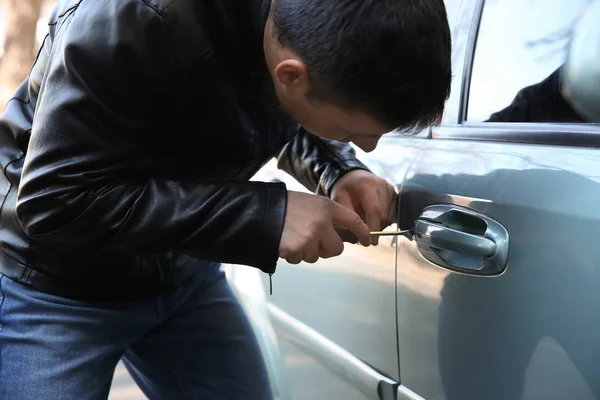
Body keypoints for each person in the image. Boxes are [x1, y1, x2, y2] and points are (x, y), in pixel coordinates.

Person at [0, 0, 451, 399]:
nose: (368, 150)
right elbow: (55, 199)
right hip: (54, 286)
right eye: (353, 134)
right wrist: (267, 216)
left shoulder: (292, 27)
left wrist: (339, 167)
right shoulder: (128, 19)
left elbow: (273, 111)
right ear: (290, 74)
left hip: (183, 276)